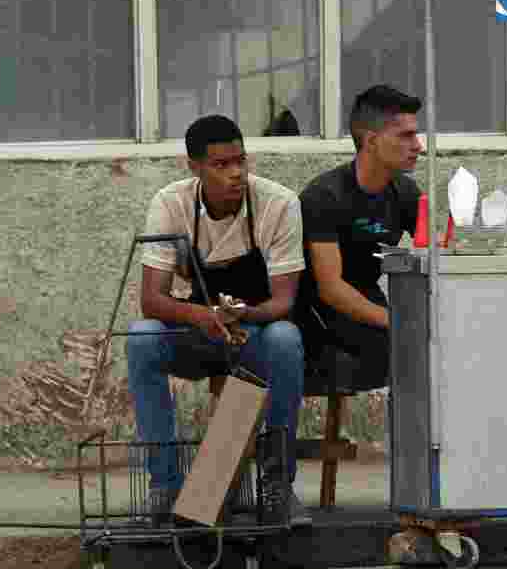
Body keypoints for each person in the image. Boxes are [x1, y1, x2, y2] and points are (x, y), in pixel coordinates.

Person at [127, 115, 310, 528]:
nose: (236, 173)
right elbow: (151, 300)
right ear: (194, 167)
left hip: (253, 330)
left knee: (285, 338)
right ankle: (165, 486)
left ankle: (277, 486)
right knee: (141, 338)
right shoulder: (171, 204)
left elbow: (283, 301)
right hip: (198, 329)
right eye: (221, 165)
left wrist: (241, 314)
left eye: (240, 161)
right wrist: (203, 316)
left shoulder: (278, 204)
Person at [297, 85, 424, 391]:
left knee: (427, 343)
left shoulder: (406, 193)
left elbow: (433, 254)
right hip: (313, 308)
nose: (418, 146)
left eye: (416, 135)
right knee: (395, 350)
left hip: (366, 295)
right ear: (371, 140)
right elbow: (330, 288)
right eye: (405, 136)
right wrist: (397, 320)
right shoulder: (324, 196)